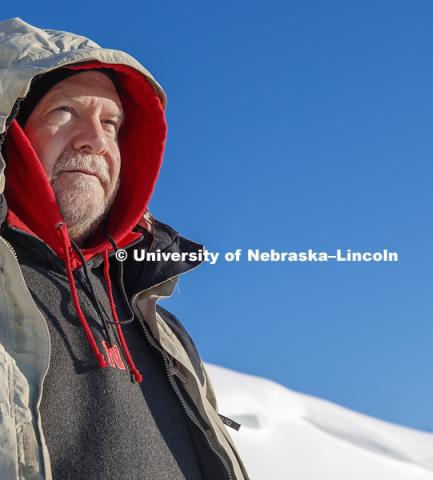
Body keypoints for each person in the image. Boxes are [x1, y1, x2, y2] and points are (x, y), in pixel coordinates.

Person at [0, 17, 249, 480]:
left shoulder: (161, 328)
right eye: (65, 112)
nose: (94, 140)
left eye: (111, 123)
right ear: (10, 129)